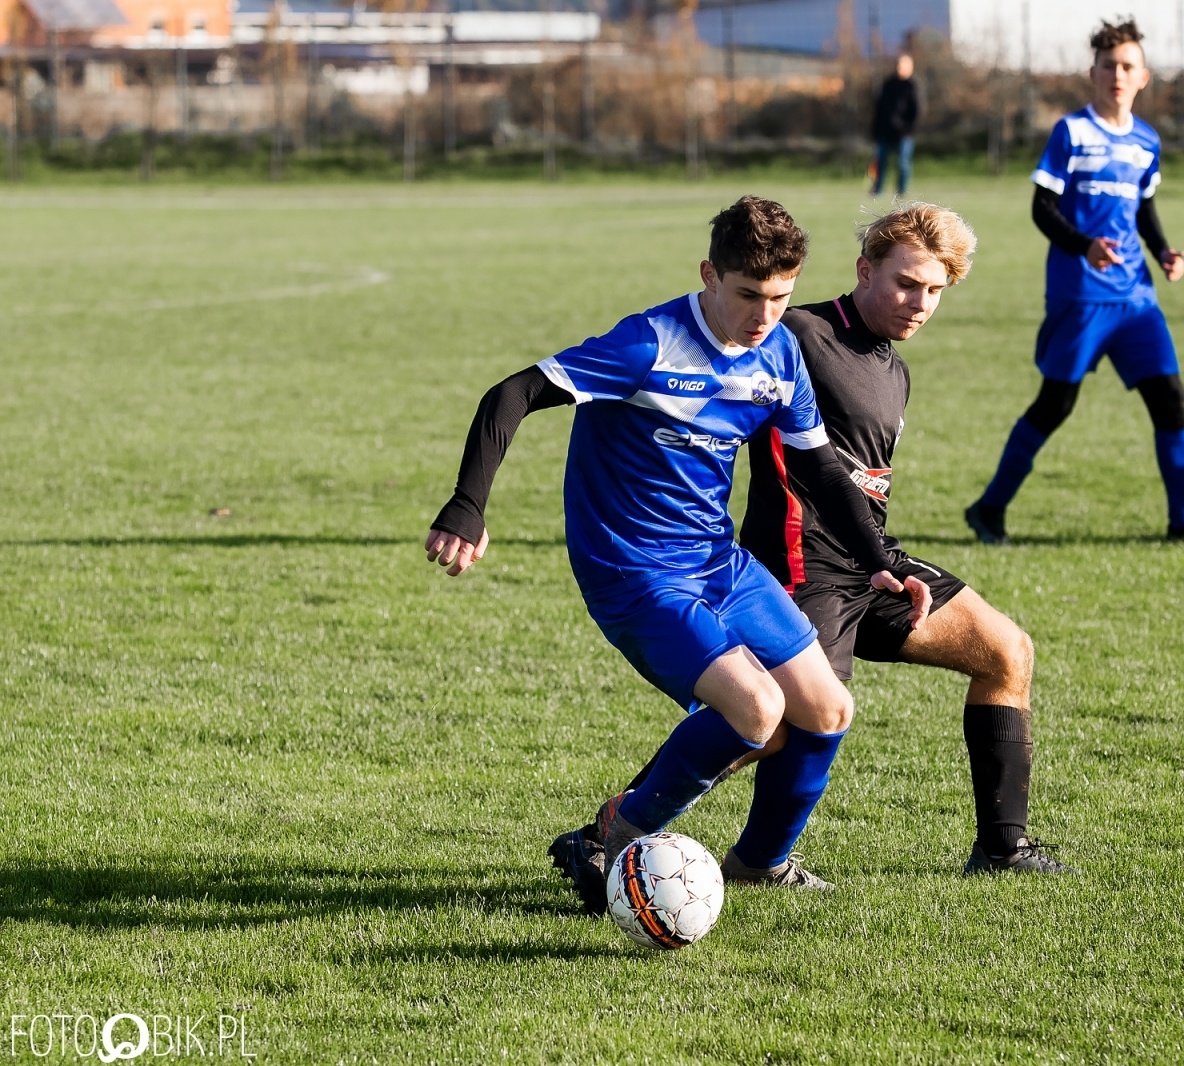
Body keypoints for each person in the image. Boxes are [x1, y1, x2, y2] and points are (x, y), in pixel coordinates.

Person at [551, 205, 1071, 913]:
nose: (919, 303)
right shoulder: (796, 332)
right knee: (773, 720)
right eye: (905, 283)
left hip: (869, 564)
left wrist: (887, 559)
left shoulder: (892, 367)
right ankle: (612, 832)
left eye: (935, 290)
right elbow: (729, 342)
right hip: (800, 568)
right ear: (864, 271)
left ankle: (1002, 847)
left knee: (1006, 651)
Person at [425, 196, 931, 899]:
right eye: (749, 295)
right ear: (709, 276)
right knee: (756, 710)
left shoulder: (781, 352)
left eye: (781, 298)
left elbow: (819, 468)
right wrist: (467, 504)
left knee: (826, 710)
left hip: (715, 562)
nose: (764, 316)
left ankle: (758, 864)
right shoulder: (649, 344)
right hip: (633, 571)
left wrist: (881, 562)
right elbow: (513, 393)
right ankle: (610, 836)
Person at [964, 18, 1184, 547]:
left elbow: (1144, 209)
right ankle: (989, 508)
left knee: (1171, 400)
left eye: (1127, 66)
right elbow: (1042, 208)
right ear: (1093, 73)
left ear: (1144, 77)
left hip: (1136, 299)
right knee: (1055, 405)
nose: (1117, 74)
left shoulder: (1146, 141)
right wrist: (1084, 245)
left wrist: (1163, 253)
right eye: (1108, 65)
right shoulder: (1072, 132)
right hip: (1081, 295)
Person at [871, 54, 920, 197]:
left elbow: (918, 111)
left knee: (903, 164)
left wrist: (908, 128)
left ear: (909, 67)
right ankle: (878, 190)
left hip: (904, 133)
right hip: (885, 132)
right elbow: (879, 108)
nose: (899, 67)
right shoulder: (888, 84)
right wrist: (876, 129)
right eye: (897, 64)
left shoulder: (913, 86)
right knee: (880, 162)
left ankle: (901, 191)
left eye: (902, 64)